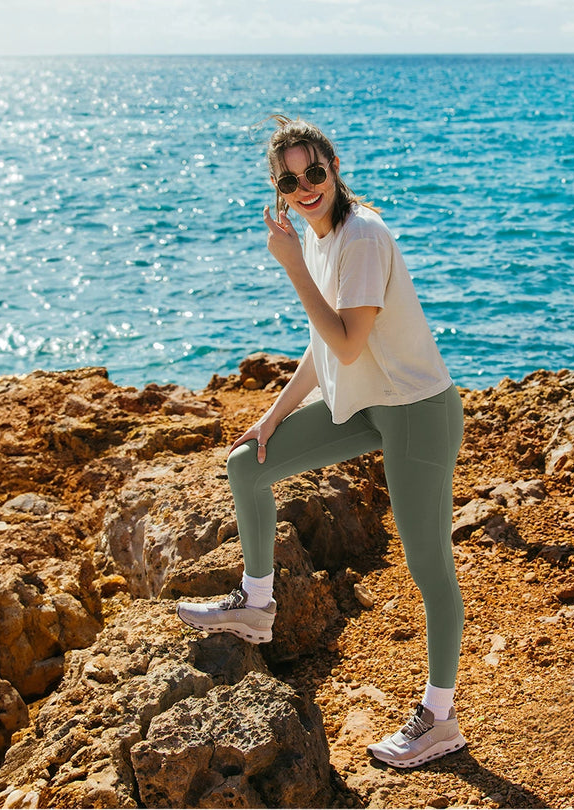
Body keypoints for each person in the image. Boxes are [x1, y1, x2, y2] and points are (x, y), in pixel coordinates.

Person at [176, 116, 467, 768]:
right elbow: (321, 350)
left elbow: (348, 341)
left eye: (314, 172)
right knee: (246, 464)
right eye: (289, 179)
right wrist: (274, 415)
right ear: (277, 190)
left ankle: (440, 718)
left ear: (333, 168)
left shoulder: (360, 236)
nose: (304, 186)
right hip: (364, 405)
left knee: (428, 567)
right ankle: (255, 604)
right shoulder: (317, 235)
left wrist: (290, 270)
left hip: (417, 411)